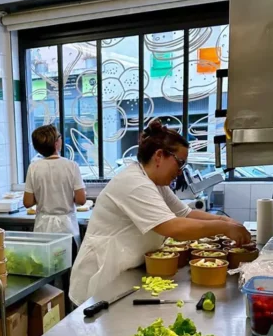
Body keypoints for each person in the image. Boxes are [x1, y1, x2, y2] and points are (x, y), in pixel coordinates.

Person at [69, 120, 251, 306]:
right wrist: (222, 227)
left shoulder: (155, 183)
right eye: (179, 163)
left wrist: (224, 221)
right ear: (159, 156)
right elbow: (173, 227)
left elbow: (185, 213)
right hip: (102, 276)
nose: (180, 172)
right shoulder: (134, 183)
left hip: (124, 270)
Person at [23, 125, 86, 245]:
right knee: (67, 261)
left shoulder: (33, 167)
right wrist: (65, 197)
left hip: (43, 227)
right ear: (56, 143)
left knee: (44, 261)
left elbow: (27, 202)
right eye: (60, 137)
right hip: (67, 227)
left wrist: (43, 196)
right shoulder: (71, 166)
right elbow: (81, 200)